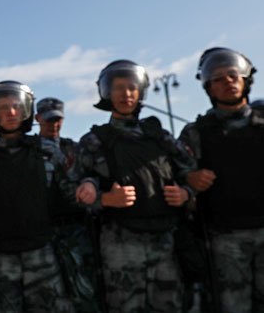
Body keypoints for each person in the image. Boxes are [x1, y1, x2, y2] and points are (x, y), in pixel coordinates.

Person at [74, 60, 193, 312]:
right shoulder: (94, 141)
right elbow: (72, 188)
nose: (126, 94)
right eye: (118, 88)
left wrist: (185, 193)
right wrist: (104, 199)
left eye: (131, 87)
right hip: (120, 242)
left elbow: (190, 172)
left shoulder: (160, 137)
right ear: (106, 92)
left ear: (140, 91)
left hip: (165, 239)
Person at [0, 81, 74, 312]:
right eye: (3, 107)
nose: (10, 112)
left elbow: (72, 193)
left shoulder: (48, 151)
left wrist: (90, 188)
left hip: (42, 253)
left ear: (26, 110)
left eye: (15, 106)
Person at [179, 47, 264, 312]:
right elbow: (175, 177)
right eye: (218, 78)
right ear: (208, 87)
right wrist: (189, 180)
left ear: (245, 79)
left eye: (232, 74)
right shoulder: (196, 133)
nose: (227, 81)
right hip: (225, 239)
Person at [35, 97, 99, 313]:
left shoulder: (73, 148)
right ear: (38, 119)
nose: (54, 124)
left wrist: (90, 183)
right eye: (49, 120)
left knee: (85, 288)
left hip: (76, 229)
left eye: (58, 120)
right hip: (44, 230)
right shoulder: (30, 150)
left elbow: (92, 174)